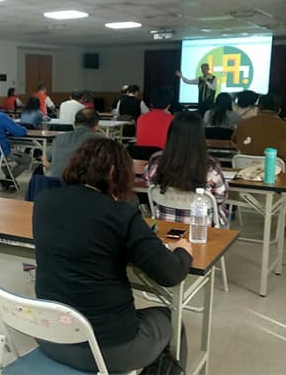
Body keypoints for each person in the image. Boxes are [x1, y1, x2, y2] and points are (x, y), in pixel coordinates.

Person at [34, 138, 192, 373]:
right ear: (113, 172)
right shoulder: (120, 215)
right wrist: (183, 250)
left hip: (50, 335)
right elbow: (170, 274)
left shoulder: (44, 201)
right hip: (108, 349)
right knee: (170, 318)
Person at [232, 94, 286, 237]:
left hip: (245, 176)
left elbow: (235, 143)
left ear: (258, 108)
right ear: (279, 110)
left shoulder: (243, 124)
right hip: (276, 179)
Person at [146, 111, 229, 227]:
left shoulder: (156, 160)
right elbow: (220, 197)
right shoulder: (210, 166)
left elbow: (150, 186)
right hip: (202, 229)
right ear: (200, 136)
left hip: (164, 224)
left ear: (171, 134)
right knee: (223, 213)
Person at [43, 108, 102, 177]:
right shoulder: (100, 140)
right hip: (84, 182)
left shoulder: (59, 138)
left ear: (73, 124)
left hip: (56, 181)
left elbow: (45, 161)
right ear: (96, 126)